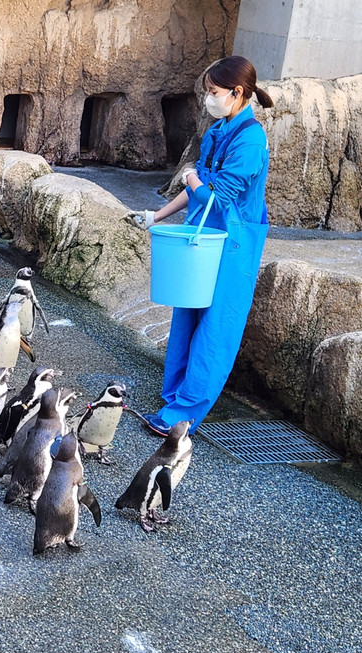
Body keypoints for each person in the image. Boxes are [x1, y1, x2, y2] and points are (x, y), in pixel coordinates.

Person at [127, 55, 274, 436]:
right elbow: (198, 191)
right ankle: (174, 396)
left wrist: (191, 179)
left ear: (237, 92)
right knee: (186, 316)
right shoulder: (216, 131)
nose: (208, 99)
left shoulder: (251, 140)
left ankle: (184, 414)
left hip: (233, 244)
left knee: (215, 329)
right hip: (203, 236)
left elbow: (217, 196)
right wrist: (157, 216)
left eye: (213, 92)